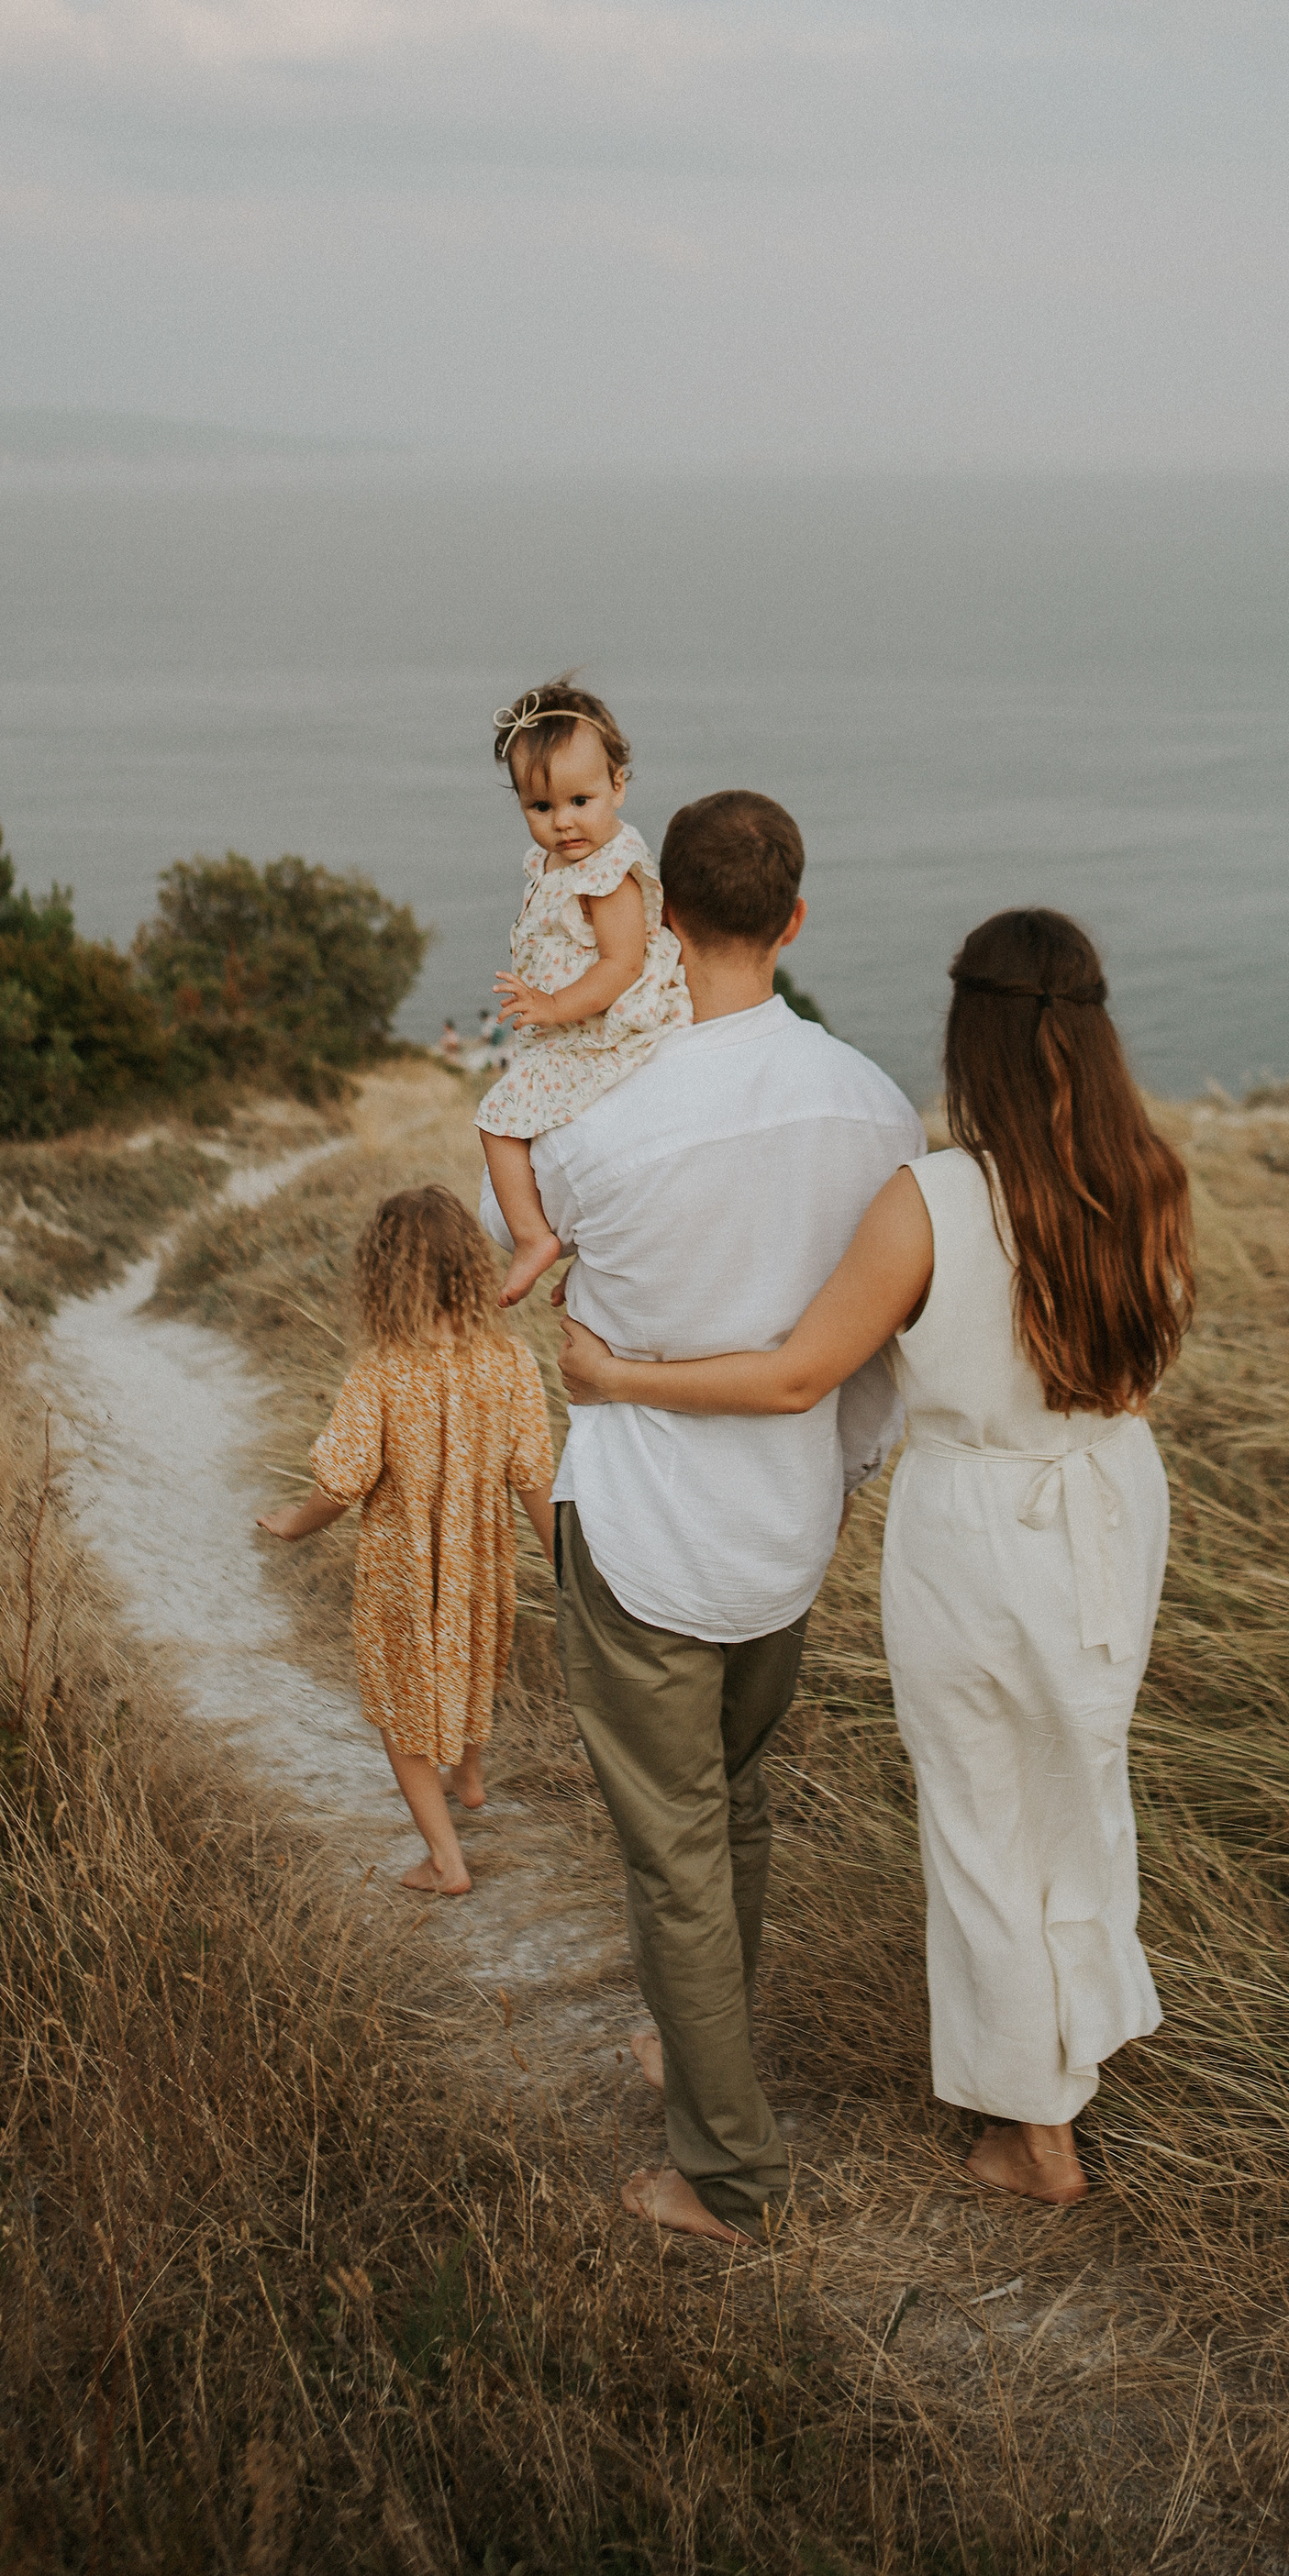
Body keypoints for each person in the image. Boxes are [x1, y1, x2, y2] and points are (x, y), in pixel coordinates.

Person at [559, 906, 1193, 2207]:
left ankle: (1033, 2136)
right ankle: (1061, 2081)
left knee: (982, 1822)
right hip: (1112, 1505)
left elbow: (800, 1375)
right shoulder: (1151, 1181)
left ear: (971, 1033)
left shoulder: (937, 1200)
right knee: (1081, 1792)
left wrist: (621, 1371)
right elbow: (1144, 1362)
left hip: (981, 1524)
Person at [481, 789, 924, 2245]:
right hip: (784, 1533)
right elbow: (877, 1343)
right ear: (795, 921)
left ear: (663, 916)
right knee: (730, 1807)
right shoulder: (875, 1106)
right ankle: (694, 2039)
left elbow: (533, 1259)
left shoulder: (604, 1125)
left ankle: (724, 2171)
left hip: (644, 1530)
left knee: (673, 1844)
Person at [258, 1184, 557, 1898]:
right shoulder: (511, 1363)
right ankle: (472, 1778)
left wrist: (294, 1524)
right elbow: (534, 1476)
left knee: (402, 1708)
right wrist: (569, 1568)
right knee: (473, 1664)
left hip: (403, 1573)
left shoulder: (382, 1373)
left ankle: (446, 1863)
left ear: (382, 1275)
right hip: (482, 1568)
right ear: (471, 1268)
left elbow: (344, 1482)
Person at [476, 677, 693, 1306]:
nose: (564, 823)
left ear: (618, 785)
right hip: (576, 1023)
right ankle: (592, 1255)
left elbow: (620, 966)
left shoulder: (609, 873)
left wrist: (549, 1006)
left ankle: (533, 1237)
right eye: (541, 808)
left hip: (608, 1027)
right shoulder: (557, 861)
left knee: (498, 1118)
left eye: (580, 799)